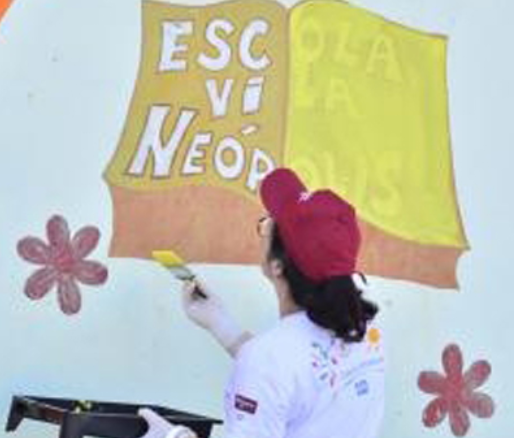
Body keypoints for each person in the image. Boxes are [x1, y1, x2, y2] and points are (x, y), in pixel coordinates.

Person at [138, 168, 386, 438]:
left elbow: (279, 370)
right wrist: (223, 326)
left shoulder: (267, 359)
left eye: (267, 225)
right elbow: (300, 375)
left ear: (277, 265)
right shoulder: (366, 330)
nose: (262, 229)